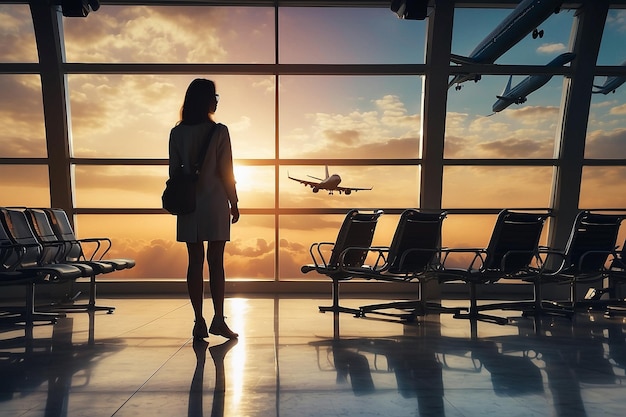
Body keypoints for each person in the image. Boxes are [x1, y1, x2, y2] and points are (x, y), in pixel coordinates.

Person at [168, 78, 240, 340]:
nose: (217, 100)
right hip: (214, 202)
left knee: (194, 262)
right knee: (216, 262)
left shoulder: (177, 133)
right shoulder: (220, 131)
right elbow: (226, 171)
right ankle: (218, 319)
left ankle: (198, 321)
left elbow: (174, 171)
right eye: (215, 96)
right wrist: (234, 201)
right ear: (206, 100)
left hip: (188, 203)